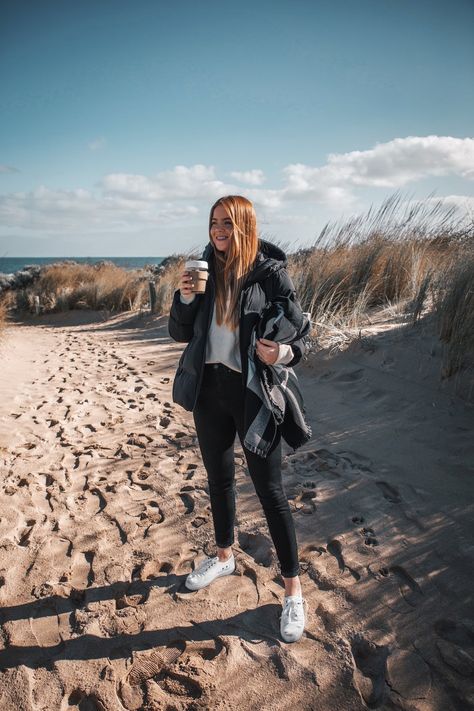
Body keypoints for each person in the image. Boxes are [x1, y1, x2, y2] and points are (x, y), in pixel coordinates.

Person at [168, 195, 310, 643]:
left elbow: (299, 331)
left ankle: (293, 591)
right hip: (209, 389)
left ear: (245, 225)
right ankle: (224, 556)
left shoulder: (269, 273)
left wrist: (283, 351)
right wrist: (185, 297)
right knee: (219, 480)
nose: (218, 230)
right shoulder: (204, 267)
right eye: (213, 222)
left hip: (251, 392)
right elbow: (179, 332)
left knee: (270, 492)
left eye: (227, 223)